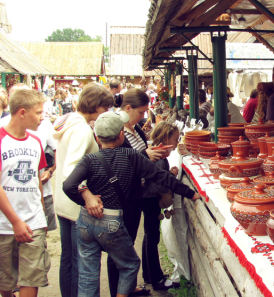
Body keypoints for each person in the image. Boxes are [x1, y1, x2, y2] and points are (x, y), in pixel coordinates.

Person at [63, 111, 200, 297]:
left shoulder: (89, 159)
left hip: (87, 223)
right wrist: (190, 193)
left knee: (88, 273)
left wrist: (87, 200)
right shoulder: (131, 155)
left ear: (97, 137)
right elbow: (161, 177)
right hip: (112, 221)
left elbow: (68, 185)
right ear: (121, 134)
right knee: (130, 264)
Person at [53, 84, 114, 297]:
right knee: (80, 262)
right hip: (76, 204)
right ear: (96, 106)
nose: (106, 114)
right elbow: (72, 168)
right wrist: (86, 194)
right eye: (105, 109)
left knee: (68, 260)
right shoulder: (81, 129)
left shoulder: (68, 122)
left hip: (62, 202)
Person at [105, 88, 167, 297]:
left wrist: (152, 153)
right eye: (140, 112)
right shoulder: (116, 130)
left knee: (130, 243)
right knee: (120, 247)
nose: (143, 116)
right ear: (128, 108)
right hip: (125, 196)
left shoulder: (135, 128)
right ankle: (118, 290)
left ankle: (129, 286)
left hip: (137, 194)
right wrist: (145, 154)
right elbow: (118, 162)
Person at [0, 89, 50, 297]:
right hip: (3, 223)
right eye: (38, 112)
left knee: (32, 275)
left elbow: (36, 180)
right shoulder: (2, 140)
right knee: (5, 279)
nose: (42, 117)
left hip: (33, 221)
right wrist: (15, 221)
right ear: (22, 113)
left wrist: (42, 215)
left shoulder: (36, 141)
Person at [143, 122, 185, 290]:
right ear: (166, 138)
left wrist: (168, 174)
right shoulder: (160, 159)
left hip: (147, 200)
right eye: (175, 139)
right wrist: (169, 181)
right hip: (150, 200)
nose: (177, 142)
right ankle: (156, 279)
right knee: (152, 238)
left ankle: (149, 274)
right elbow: (155, 185)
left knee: (149, 237)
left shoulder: (155, 154)